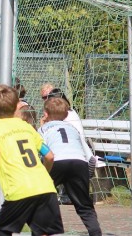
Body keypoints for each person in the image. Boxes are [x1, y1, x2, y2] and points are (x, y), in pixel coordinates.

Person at [0, 84, 64, 236]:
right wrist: (44, 174)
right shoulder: (26, 127)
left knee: (2, 232)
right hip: (45, 188)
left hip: (19, 190)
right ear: (16, 108)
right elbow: (49, 155)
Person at [38, 97, 102, 236]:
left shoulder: (42, 130)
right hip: (79, 162)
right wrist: (86, 176)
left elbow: (41, 152)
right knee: (84, 205)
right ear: (66, 115)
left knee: (41, 198)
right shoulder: (73, 129)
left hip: (56, 161)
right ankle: (96, 233)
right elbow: (91, 158)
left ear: (45, 113)